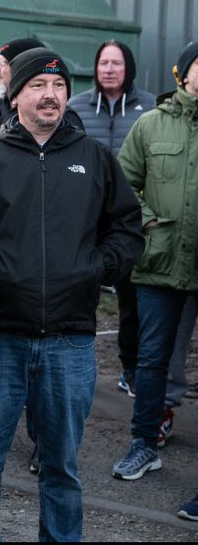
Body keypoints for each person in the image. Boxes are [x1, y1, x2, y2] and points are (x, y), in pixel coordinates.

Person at [0, 48, 143, 541]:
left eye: (58, 87)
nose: (50, 96)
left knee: (61, 467)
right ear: (16, 96)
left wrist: (93, 270)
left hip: (70, 342)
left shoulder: (95, 157)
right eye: (38, 86)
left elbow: (127, 230)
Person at [111, 41, 198, 491]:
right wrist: (148, 223)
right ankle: (143, 442)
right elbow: (125, 186)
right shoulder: (150, 125)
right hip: (159, 262)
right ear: (182, 74)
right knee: (151, 359)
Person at [67, 39, 158, 396]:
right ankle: (75, 366)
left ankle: (130, 367)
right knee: (81, 293)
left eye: (116, 63)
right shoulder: (76, 107)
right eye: (103, 63)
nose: (108, 69)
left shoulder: (148, 107)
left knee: (132, 301)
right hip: (87, 218)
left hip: (131, 217)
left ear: (129, 68)